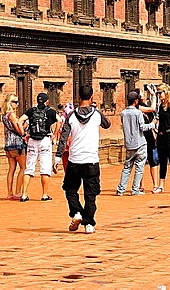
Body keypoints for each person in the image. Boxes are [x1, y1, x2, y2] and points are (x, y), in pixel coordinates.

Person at [53, 84, 110, 234]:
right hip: (91, 159)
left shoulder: (71, 116)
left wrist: (57, 157)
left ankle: (77, 212)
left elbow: (63, 138)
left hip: (75, 159)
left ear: (78, 98)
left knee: (70, 189)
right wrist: (97, 110)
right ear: (91, 97)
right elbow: (107, 124)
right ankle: (89, 223)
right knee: (90, 193)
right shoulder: (97, 114)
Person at [19, 92, 58, 202]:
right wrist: (54, 134)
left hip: (32, 140)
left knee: (29, 168)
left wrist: (24, 134)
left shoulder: (31, 111)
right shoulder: (50, 112)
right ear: (47, 101)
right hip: (45, 140)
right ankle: (44, 194)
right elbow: (60, 121)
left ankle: (24, 194)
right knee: (45, 169)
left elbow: (19, 121)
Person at [115, 90, 153, 196]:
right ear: (136, 101)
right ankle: (135, 189)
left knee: (127, 167)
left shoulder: (123, 113)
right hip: (140, 142)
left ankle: (121, 189)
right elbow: (142, 127)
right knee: (139, 167)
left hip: (129, 143)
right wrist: (152, 124)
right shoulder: (138, 113)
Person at [1, 94, 26, 200]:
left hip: (8, 144)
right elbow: (20, 131)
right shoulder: (12, 115)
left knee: (11, 169)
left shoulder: (4, 115)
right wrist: (25, 124)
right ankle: (18, 192)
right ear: (10, 103)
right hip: (17, 144)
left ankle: (9, 193)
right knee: (23, 168)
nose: (17, 104)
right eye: (15, 102)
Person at [139, 89, 159, 193]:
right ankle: (140, 185)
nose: (143, 94)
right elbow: (152, 108)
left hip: (150, 138)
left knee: (153, 160)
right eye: (141, 93)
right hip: (141, 138)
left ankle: (155, 184)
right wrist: (154, 96)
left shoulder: (144, 106)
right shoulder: (138, 108)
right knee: (141, 162)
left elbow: (153, 110)